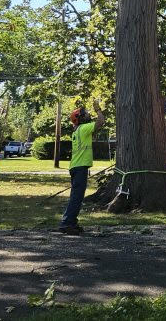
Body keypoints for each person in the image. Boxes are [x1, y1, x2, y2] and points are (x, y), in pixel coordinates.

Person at [56, 98, 105, 235]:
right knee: (77, 197)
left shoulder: (77, 130)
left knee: (76, 196)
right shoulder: (83, 129)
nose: (88, 115)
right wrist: (98, 110)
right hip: (80, 167)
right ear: (80, 119)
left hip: (76, 167)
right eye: (86, 114)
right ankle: (67, 223)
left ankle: (71, 222)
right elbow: (101, 122)